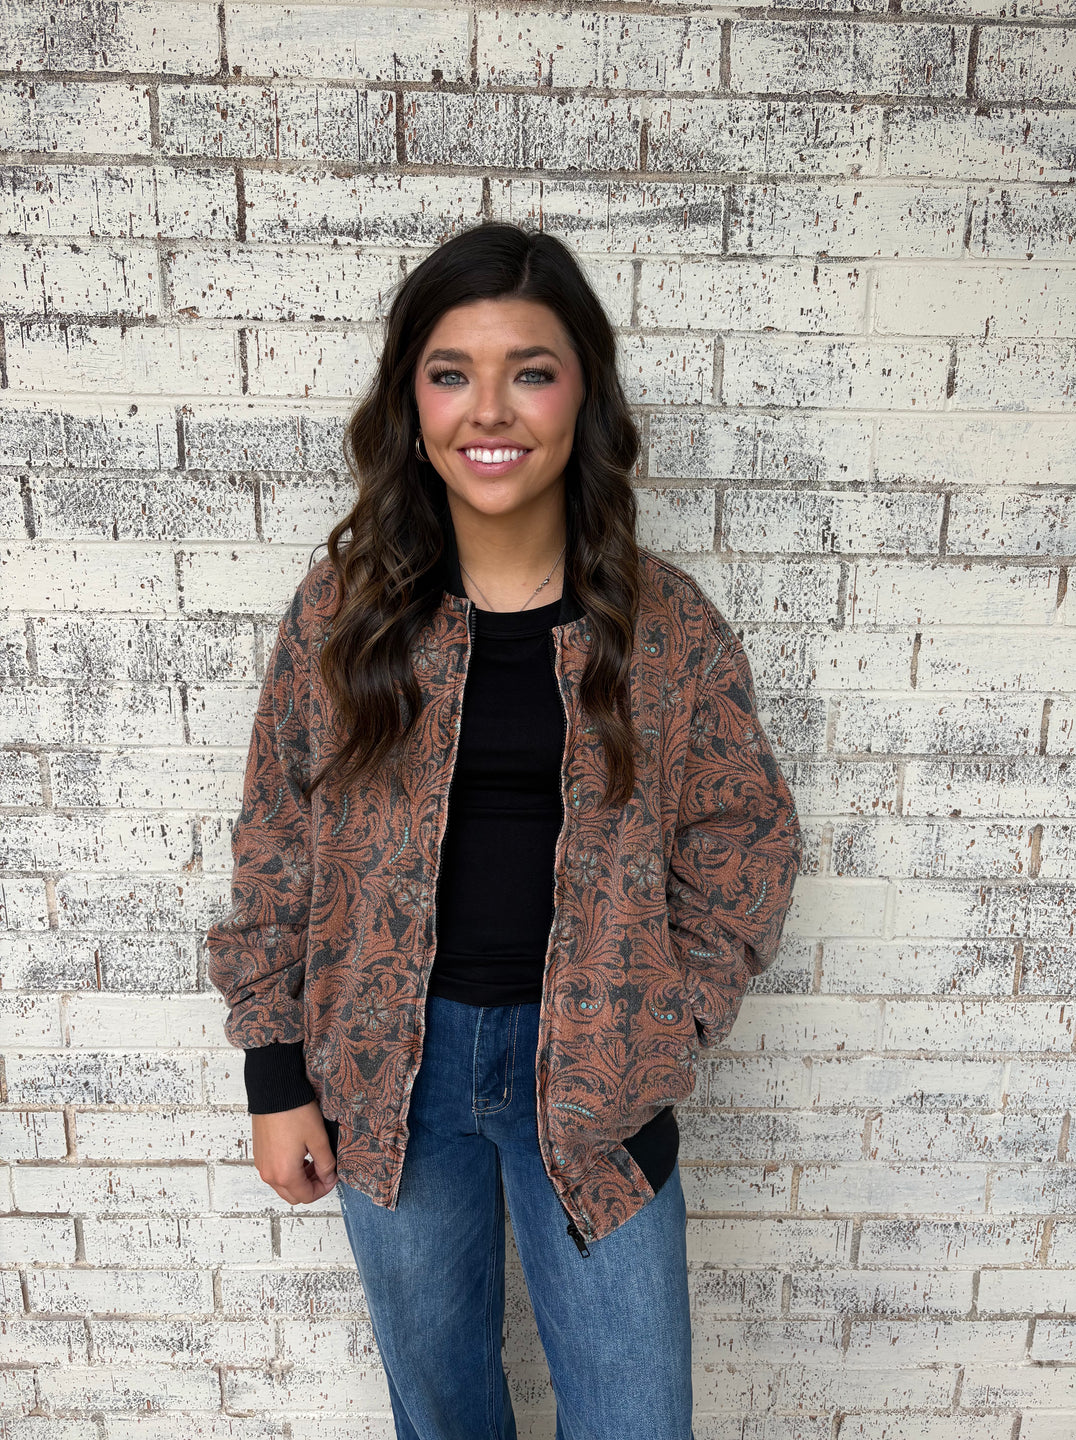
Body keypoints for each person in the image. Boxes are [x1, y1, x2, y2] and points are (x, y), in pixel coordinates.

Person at [206, 221, 802, 1440]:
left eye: (531, 371)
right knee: (444, 1419)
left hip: (596, 1087)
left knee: (637, 1421)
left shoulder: (666, 627)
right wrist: (276, 1072)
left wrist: (666, 1017)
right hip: (389, 1078)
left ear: (584, 394)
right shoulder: (344, 617)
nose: (490, 409)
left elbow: (745, 840)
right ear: (410, 401)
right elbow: (275, 840)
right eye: (451, 372)